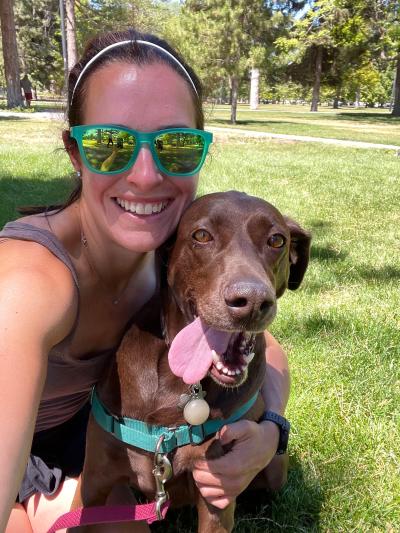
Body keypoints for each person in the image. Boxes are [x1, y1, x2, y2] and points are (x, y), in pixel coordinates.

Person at [1, 29, 290, 533]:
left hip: (114, 427)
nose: (145, 175)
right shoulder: (28, 282)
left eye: (175, 146)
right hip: (34, 449)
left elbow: (269, 346)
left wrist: (270, 428)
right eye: (110, 145)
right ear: (75, 152)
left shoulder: (173, 248)